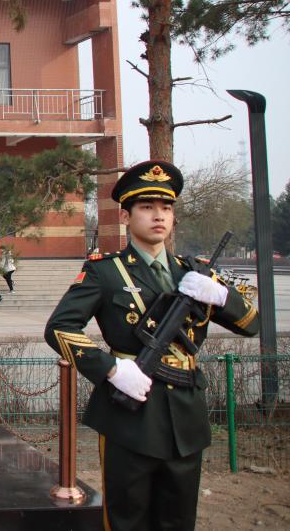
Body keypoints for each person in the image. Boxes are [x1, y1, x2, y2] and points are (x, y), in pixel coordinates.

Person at [44, 160, 259, 531]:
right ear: (126, 216)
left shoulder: (195, 272)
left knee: (179, 520)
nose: (159, 216)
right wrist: (112, 369)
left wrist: (222, 297)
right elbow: (59, 328)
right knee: (128, 520)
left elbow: (252, 324)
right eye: (146, 207)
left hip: (186, 417)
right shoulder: (105, 271)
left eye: (166, 208)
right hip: (131, 416)